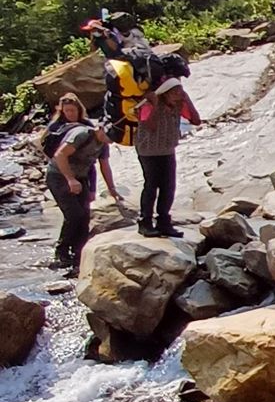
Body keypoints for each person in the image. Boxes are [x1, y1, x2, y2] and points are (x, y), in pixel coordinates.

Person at [42, 93, 120, 275]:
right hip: (58, 175)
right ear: (100, 129)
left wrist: (111, 189)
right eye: (109, 135)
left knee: (85, 216)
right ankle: (61, 252)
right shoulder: (82, 134)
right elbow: (60, 155)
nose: (110, 139)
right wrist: (70, 179)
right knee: (74, 214)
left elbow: (103, 166)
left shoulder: (103, 143)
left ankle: (78, 253)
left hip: (81, 177)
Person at [134, 78, 200, 237]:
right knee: (151, 185)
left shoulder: (178, 105)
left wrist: (187, 100)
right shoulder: (149, 105)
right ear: (166, 93)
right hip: (148, 150)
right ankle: (145, 222)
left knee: (168, 187)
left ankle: (164, 222)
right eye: (175, 92)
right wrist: (156, 105)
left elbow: (196, 120)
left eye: (180, 91)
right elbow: (150, 125)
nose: (178, 94)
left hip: (167, 150)